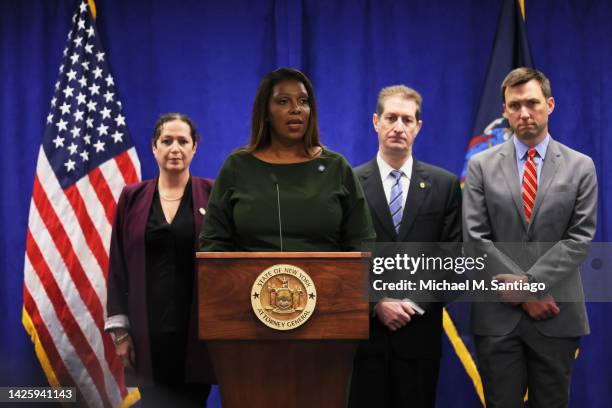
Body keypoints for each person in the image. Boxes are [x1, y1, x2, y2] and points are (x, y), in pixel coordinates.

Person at [463, 67, 597, 407]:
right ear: (505, 110)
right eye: (515, 105)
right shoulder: (480, 165)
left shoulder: (580, 166)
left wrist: (531, 286)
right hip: (498, 318)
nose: (524, 113)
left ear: (550, 105)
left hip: (556, 312)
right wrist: (526, 295)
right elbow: (476, 238)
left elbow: (579, 238)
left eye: (532, 103)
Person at [349, 85, 462, 408]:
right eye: (391, 117)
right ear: (376, 122)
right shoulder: (349, 185)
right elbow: (342, 257)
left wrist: (412, 303)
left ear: (418, 126)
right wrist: (376, 303)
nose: (399, 126)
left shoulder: (445, 185)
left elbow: (453, 258)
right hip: (364, 337)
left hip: (419, 337)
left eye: (407, 119)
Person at [199, 67, 375, 252]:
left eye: (303, 101)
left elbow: (362, 242)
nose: (296, 109)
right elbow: (213, 243)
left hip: (326, 280)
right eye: (283, 101)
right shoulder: (237, 166)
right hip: (250, 280)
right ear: (265, 112)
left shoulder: (336, 166)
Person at [105, 113, 214, 407]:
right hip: (146, 336)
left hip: (196, 334)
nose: (175, 148)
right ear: (154, 147)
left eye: (183, 141)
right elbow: (118, 268)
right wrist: (120, 333)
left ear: (195, 148)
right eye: (167, 141)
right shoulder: (131, 197)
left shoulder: (213, 195)